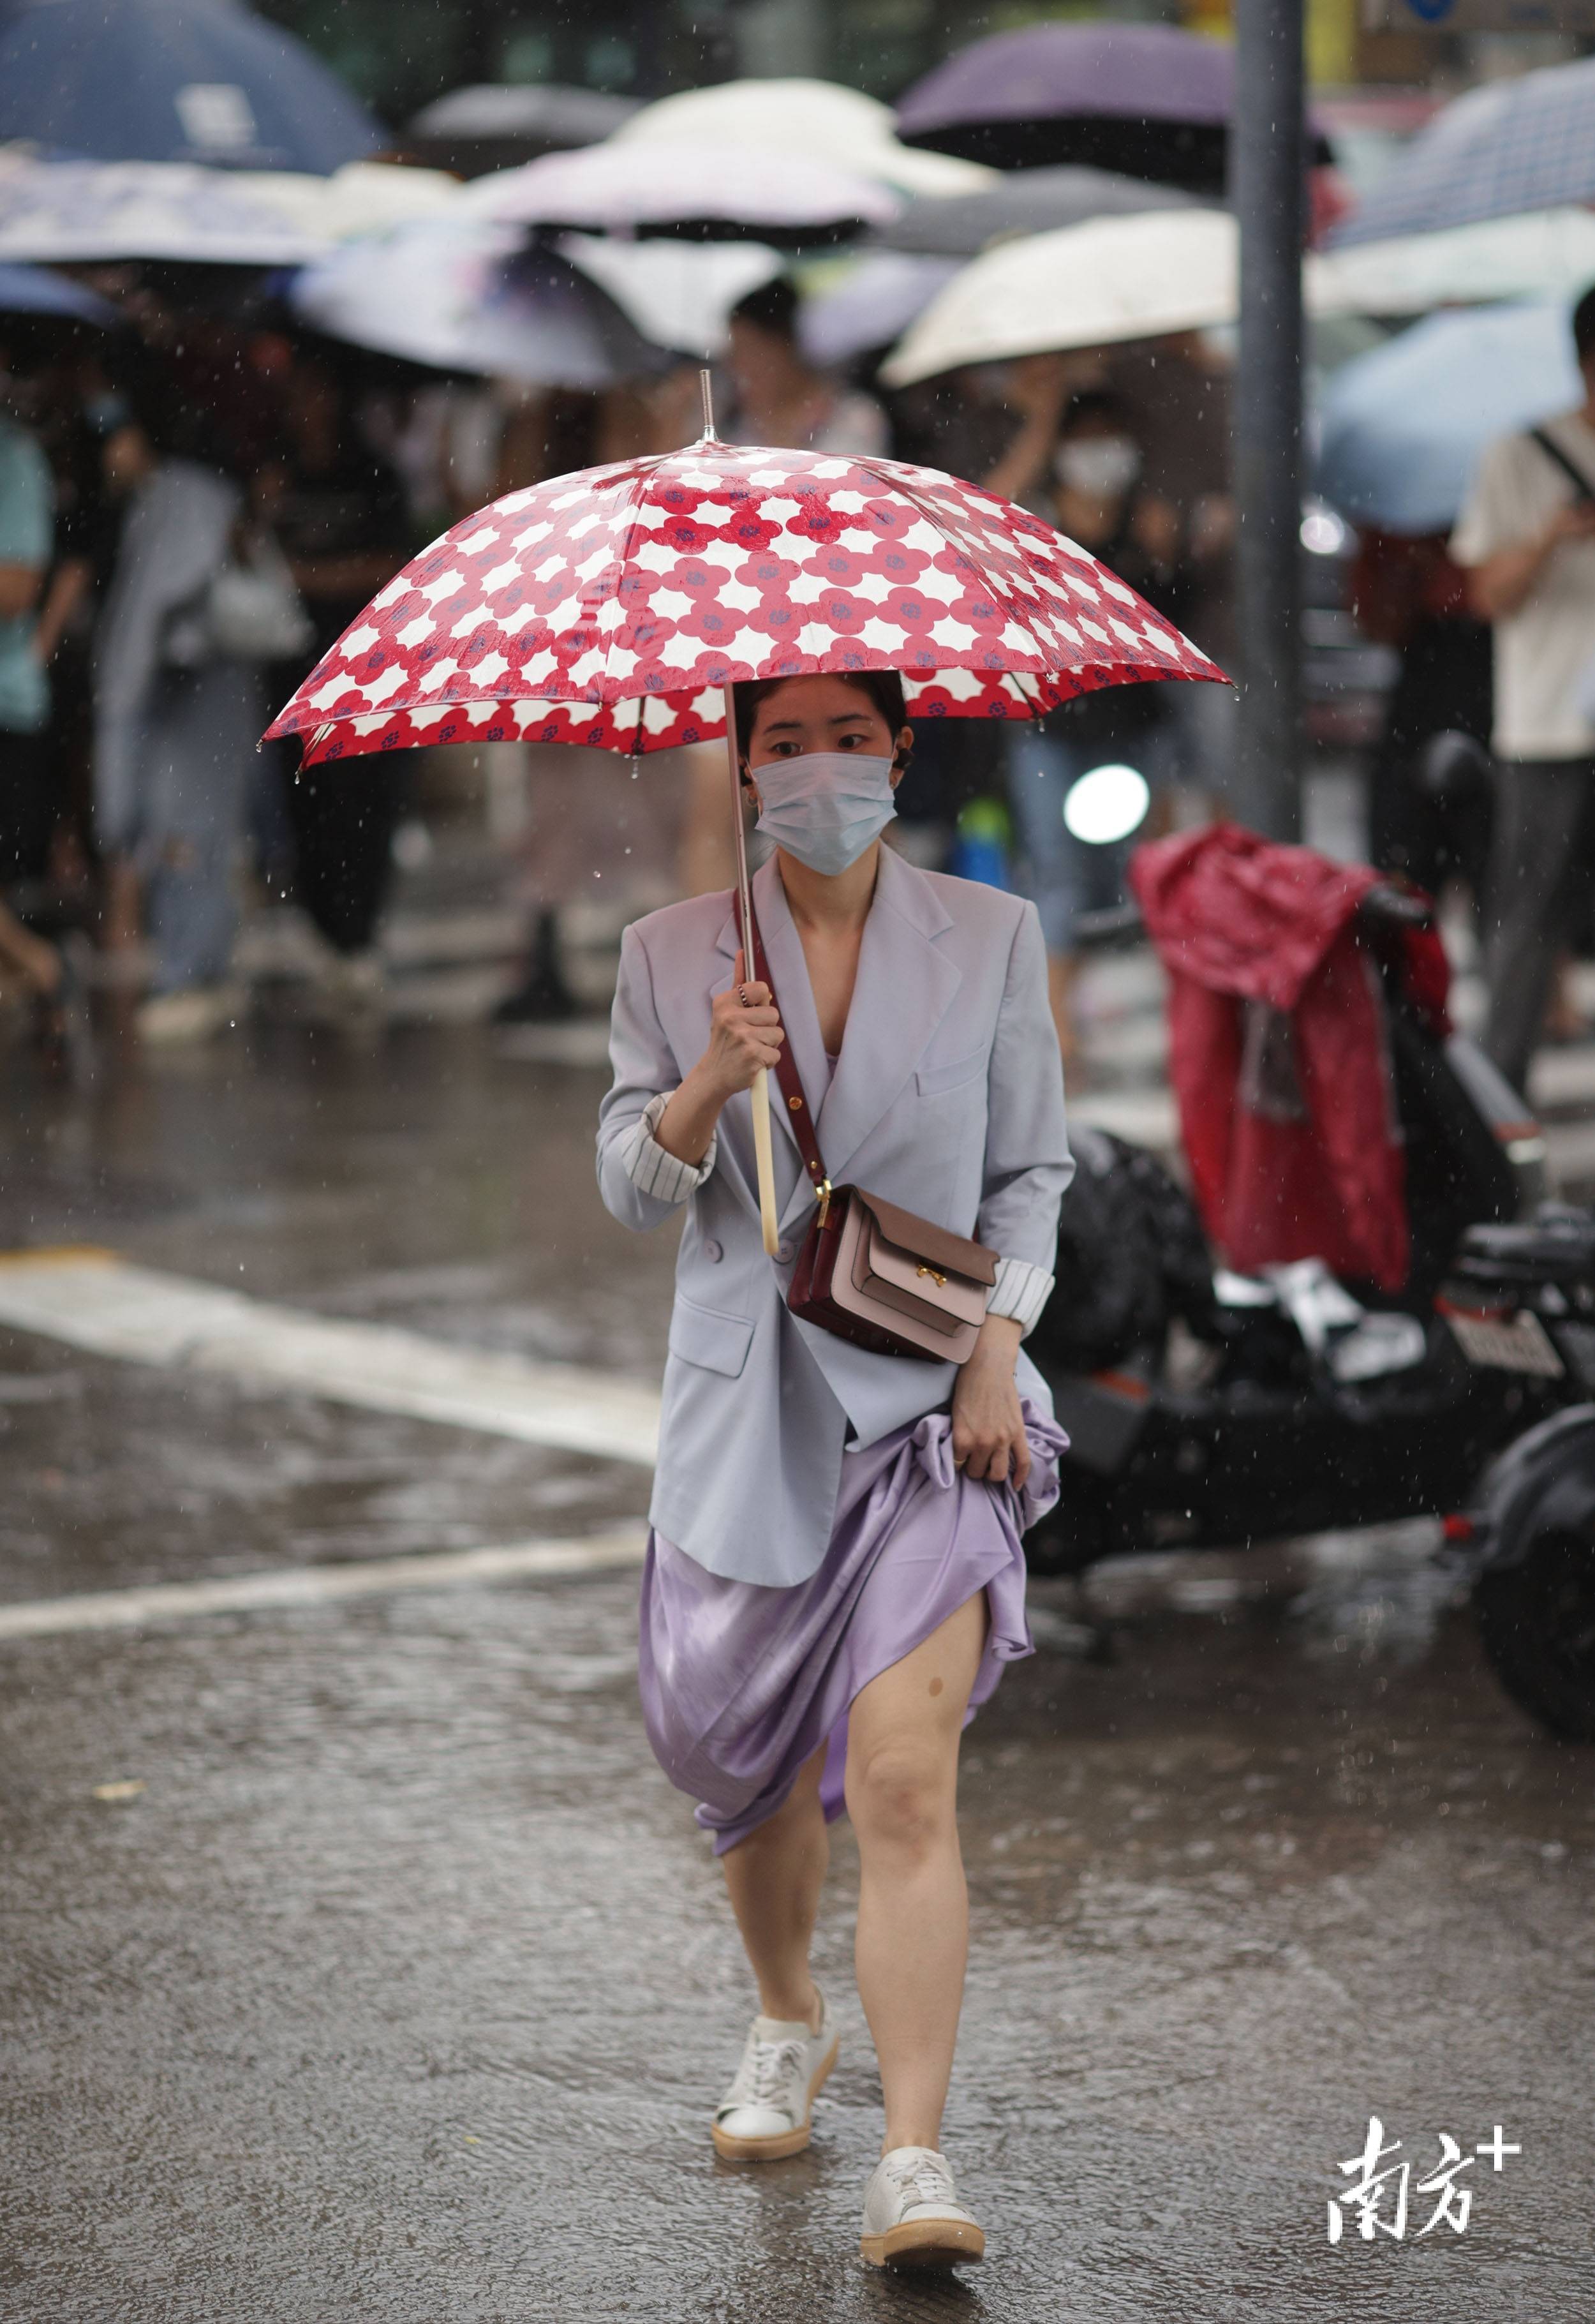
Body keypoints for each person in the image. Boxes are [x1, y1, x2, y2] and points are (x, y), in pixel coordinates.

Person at [596, 669, 1071, 2272]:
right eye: (784, 743)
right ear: (742, 767)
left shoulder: (989, 936)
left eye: (847, 738)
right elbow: (629, 1190)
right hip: (749, 1423)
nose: (818, 770)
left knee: (900, 1780)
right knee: (749, 1766)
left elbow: (1033, 1168)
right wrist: (709, 1081)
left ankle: (915, 2160)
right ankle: (788, 2016)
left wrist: (999, 1344)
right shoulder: (671, 955)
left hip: (938, 1413)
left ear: (899, 749)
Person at [988, 384, 1190, 1061]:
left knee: (1151, 872)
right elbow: (980, 516)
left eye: (1112, 437)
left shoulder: (1152, 525)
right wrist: (1042, 421)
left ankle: (1183, 1029)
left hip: (1137, 728)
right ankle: (1058, 1037)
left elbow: (1170, 631)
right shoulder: (1031, 526)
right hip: (1051, 733)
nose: (1101, 455)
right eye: (1086, 438)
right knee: (1057, 877)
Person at [1451, 283, 1595, 1096]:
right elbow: (1485, 595)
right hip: (1547, 725)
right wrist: (1552, 537)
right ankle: (1501, 1109)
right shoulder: (1518, 454)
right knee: (1527, 922)